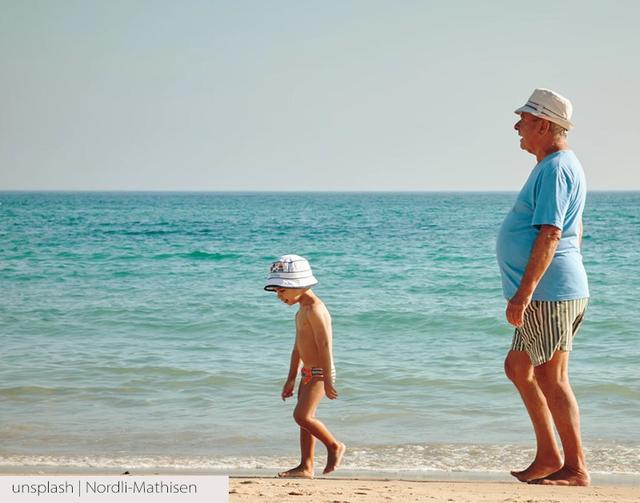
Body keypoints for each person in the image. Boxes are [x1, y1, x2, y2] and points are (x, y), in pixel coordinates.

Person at [496, 88, 590, 486]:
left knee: (551, 377)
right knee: (519, 367)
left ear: (544, 124)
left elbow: (551, 233)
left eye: (524, 118)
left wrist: (525, 291)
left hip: (549, 293)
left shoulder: (556, 168)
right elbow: (575, 229)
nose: (517, 124)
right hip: (551, 289)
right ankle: (550, 456)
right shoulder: (553, 166)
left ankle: (575, 467)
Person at [264, 254, 345, 478]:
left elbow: (325, 345)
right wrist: (291, 377)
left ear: (298, 285)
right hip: (307, 373)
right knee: (305, 422)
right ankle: (306, 466)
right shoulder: (301, 311)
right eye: (277, 292)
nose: (279, 296)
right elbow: (298, 347)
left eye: (282, 290)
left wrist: (328, 380)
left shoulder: (316, 310)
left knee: (302, 416)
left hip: (320, 373)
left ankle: (334, 445)